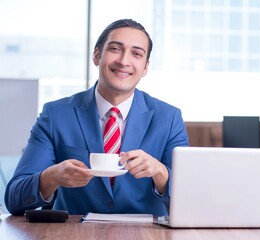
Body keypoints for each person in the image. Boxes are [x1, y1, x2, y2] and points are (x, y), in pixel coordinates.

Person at [5, 19, 189, 216]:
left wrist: (160, 172)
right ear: (96, 55)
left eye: (136, 54)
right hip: (72, 235)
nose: (124, 61)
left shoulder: (169, 118)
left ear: (145, 67)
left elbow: (190, 201)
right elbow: (14, 199)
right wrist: (52, 177)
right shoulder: (55, 115)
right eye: (115, 49)